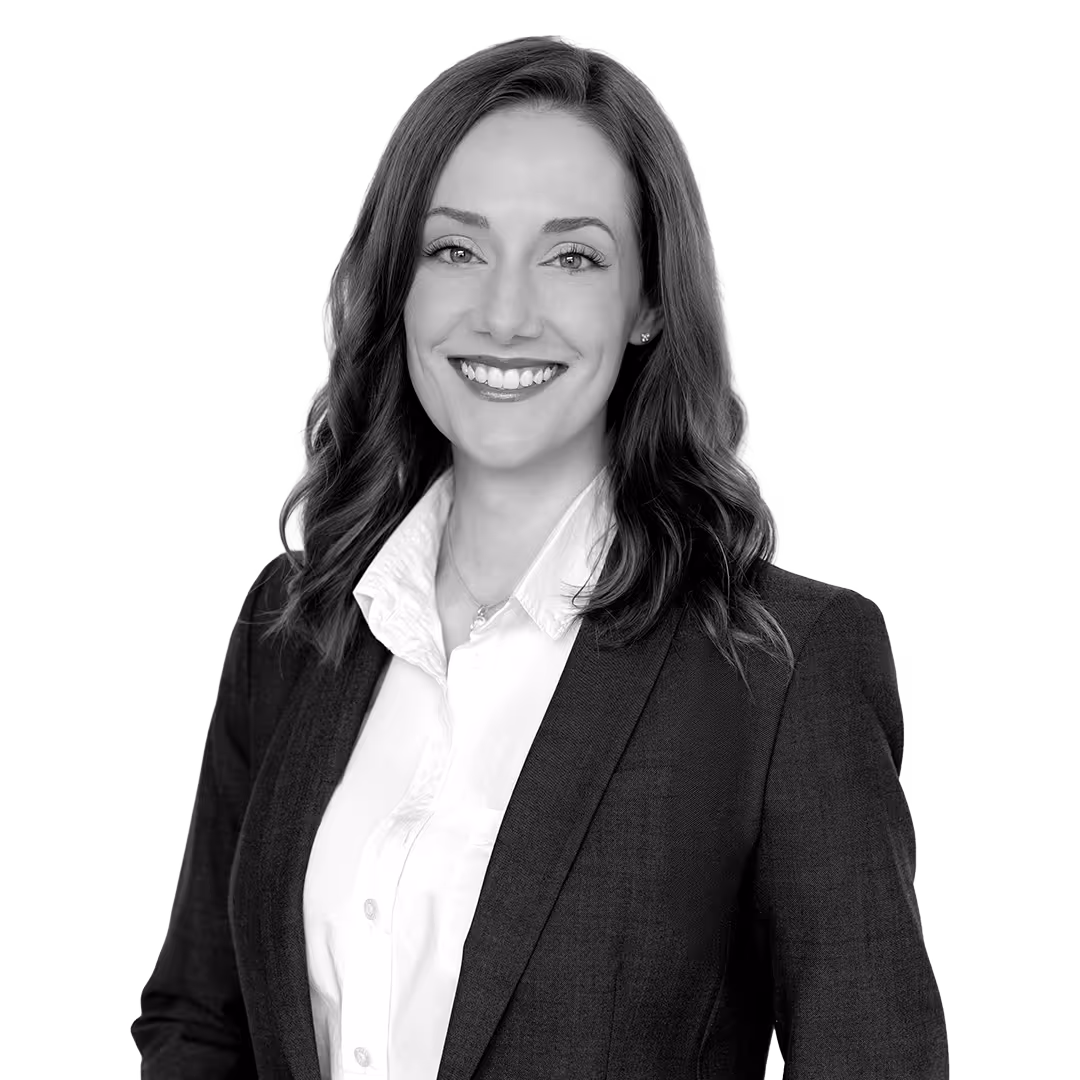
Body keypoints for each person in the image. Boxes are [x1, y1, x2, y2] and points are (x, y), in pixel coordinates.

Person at [132, 35, 948, 1080]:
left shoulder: (783, 667)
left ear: (651, 302)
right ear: (401, 288)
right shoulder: (293, 624)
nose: (505, 314)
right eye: (457, 251)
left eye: (574, 256)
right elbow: (203, 1021)